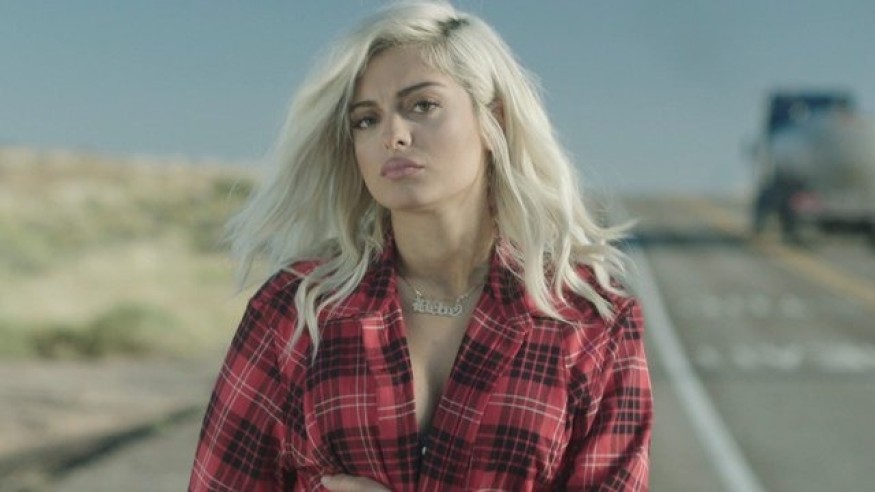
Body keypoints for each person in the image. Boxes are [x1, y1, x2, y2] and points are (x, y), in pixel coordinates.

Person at [189, 1, 652, 490]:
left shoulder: (592, 325)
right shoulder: (295, 312)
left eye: (422, 105)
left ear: (492, 119)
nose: (393, 136)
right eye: (366, 120)